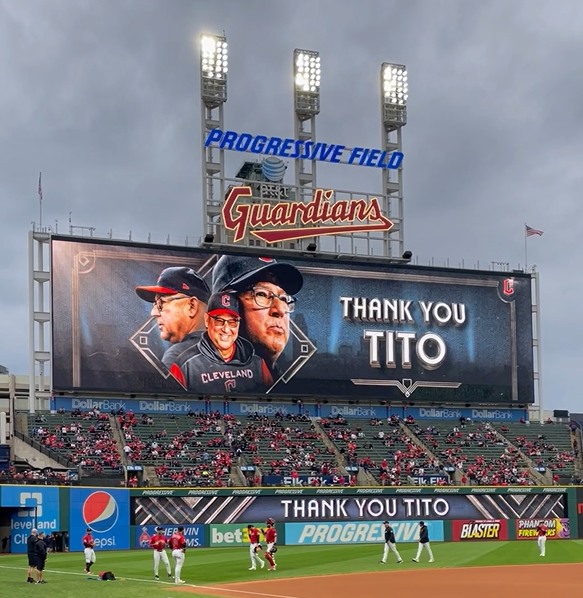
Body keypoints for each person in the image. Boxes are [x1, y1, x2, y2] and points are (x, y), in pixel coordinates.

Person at [211, 255, 303, 378]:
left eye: (284, 299)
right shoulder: (194, 378)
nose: (280, 310)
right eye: (262, 294)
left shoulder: (287, 387)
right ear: (225, 303)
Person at [171, 292, 273, 393]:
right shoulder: (185, 365)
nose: (226, 329)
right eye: (219, 321)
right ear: (207, 320)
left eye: (232, 322)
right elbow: (173, 404)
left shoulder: (257, 364)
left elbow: (272, 404)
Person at [135, 266, 211, 374]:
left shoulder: (178, 357)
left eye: (161, 303)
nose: (154, 313)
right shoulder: (236, 350)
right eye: (155, 304)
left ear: (192, 306)